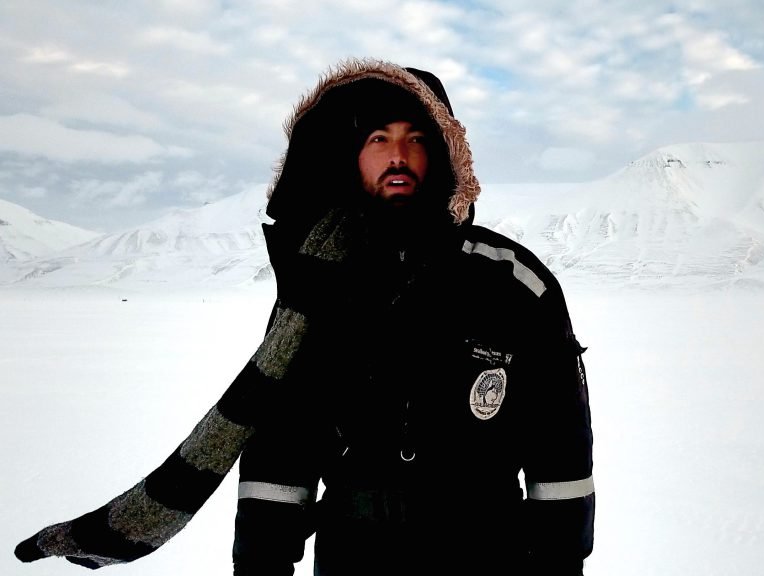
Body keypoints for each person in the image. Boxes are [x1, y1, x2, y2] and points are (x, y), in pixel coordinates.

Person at [14, 59, 594, 576]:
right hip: (353, 555)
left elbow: (561, 449)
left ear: (444, 152)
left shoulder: (513, 283)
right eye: (379, 138)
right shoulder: (318, 288)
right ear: (352, 155)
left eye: (416, 138)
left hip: (486, 553)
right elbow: (282, 447)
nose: (398, 155)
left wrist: (562, 563)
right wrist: (259, 563)